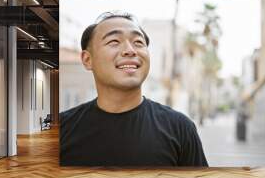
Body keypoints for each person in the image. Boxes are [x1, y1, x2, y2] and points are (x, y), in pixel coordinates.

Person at [60, 11, 208, 167]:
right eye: (114, 41)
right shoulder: (62, 128)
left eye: (138, 42)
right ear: (87, 59)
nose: (130, 50)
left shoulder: (181, 128)